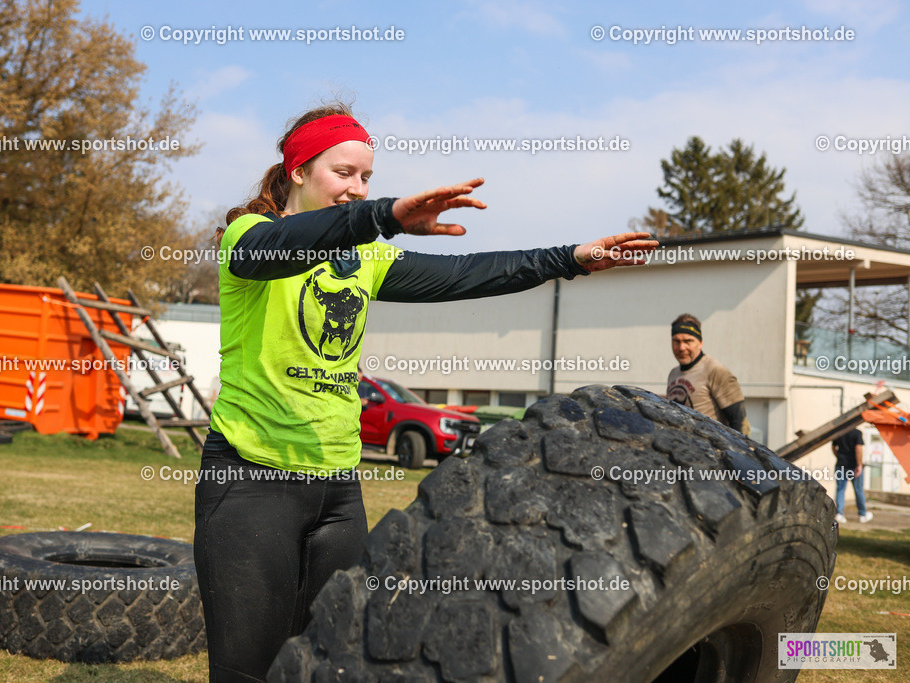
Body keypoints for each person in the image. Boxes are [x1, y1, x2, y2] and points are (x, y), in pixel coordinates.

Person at [193, 102, 658, 682]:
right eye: (344, 173)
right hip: (251, 479)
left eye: (367, 178)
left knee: (327, 666)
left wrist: (568, 259)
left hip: (336, 490)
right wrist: (383, 215)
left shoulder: (364, 257)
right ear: (297, 170)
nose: (357, 188)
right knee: (247, 673)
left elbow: (464, 275)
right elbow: (280, 248)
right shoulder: (249, 236)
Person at [666, 313, 750, 435]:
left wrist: (739, 452)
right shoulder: (673, 374)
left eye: (688, 341)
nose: (681, 347)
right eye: (676, 341)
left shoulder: (715, 370)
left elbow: (740, 423)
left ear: (700, 343)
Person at [832, 427, 872, 524]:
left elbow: (834, 447)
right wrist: (859, 465)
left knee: (840, 489)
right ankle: (862, 514)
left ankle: (839, 514)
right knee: (858, 490)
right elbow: (858, 448)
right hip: (853, 466)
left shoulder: (839, 432)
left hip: (841, 465)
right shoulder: (857, 433)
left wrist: (839, 456)